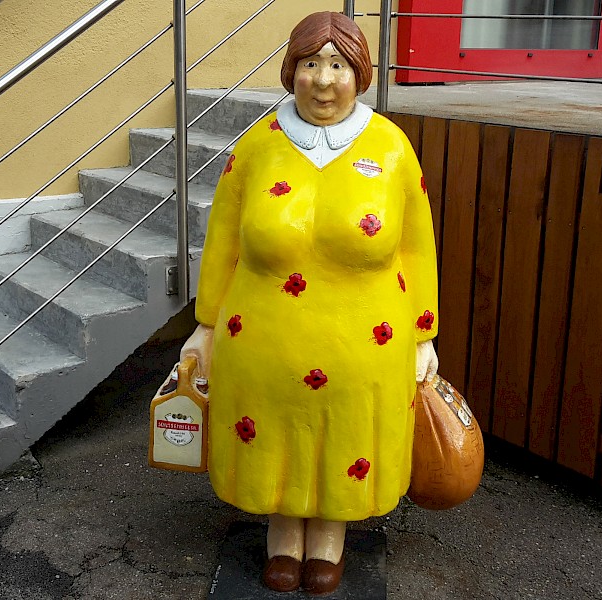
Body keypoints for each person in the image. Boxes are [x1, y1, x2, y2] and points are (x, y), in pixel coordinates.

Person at [180, 11, 439, 594]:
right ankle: (282, 536)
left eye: (338, 65)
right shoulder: (257, 146)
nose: (323, 81)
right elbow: (222, 240)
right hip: (263, 337)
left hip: (363, 342)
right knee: (276, 434)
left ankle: (328, 540)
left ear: (360, 73)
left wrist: (424, 333)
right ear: (290, 70)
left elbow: (417, 245)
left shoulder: (391, 147)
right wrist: (206, 325)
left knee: (342, 435)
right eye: (310, 64)